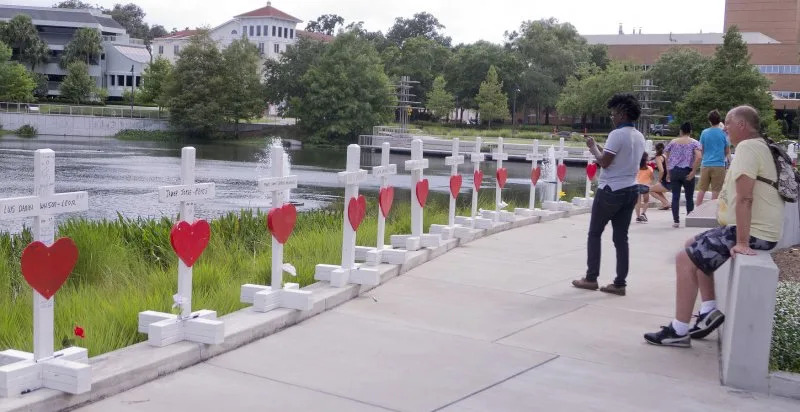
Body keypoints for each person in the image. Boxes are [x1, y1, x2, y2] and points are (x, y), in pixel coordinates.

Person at [644, 105, 784, 347]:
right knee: (692, 245)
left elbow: (745, 198)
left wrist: (741, 242)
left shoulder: (749, 148)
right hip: (758, 230)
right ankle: (709, 310)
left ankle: (679, 330)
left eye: (728, 123)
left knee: (683, 258)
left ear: (742, 124)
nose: (725, 128)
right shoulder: (759, 145)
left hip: (754, 233)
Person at [572, 93, 645, 296]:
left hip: (611, 191)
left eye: (613, 113)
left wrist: (593, 147)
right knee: (621, 238)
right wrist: (600, 150)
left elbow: (604, 162)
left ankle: (591, 278)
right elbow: (619, 158)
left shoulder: (617, 134)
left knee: (595, 233)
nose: (612, 117)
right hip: (631, 189)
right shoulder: (638, 136)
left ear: (622, 114)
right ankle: (620, 283)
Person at [665, 122, 702, 228]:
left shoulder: (673, 142)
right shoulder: (694, 142)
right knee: (689, 197)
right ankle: (689, 218)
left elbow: (666, 157)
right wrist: (694, 171)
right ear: (690, 131)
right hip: (687, 171)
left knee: (675, 196)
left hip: (674, 171)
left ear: (680, 131)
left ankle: (676, 221)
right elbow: (699, 157)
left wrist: (668, 172)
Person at [696, 110, 731, 206]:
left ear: (709, 121)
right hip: (719, 165)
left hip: (706, 164)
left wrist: (705, 157)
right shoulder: (723, 134)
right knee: (716, 191)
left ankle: (697, 211)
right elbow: (727, 150)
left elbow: (701, 149)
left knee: (702, 190)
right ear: (719, 120)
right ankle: (712, 212)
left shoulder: (704, 132)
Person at [648, 142, 671, 209]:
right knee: (656, 189)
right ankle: (666, 203)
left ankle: (666, 203)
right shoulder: (664, 156)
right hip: (669, 179)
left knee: (650, 190)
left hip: (665, 181)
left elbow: (662, 170)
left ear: (655, 148)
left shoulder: (658, 157)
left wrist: (659, 180)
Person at [635, 152, 653, 223]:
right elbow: (652, 178)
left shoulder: (636, 167)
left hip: (636, 185)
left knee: (637, 202)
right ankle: (643, 213)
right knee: (646, 201)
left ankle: (638, 217)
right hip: (645, 186)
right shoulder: (649, 168)